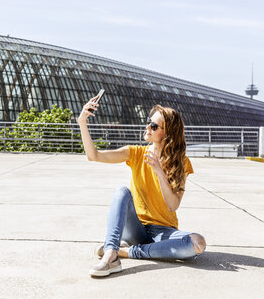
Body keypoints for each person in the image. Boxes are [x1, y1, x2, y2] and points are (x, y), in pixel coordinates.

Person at [77, 95, 206, 277]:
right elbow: (94, 156)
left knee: (197, 243)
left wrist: (160, 171)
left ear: (167, 133)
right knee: (122, 191)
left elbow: (172, 205)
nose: (147, 128)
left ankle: (128, 252)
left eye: (153, 126)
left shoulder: (181, 163)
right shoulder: (136, 153)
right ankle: (111, 254)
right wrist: (82, 122)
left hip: (164, 231)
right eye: (148, 122)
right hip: (136, 228)